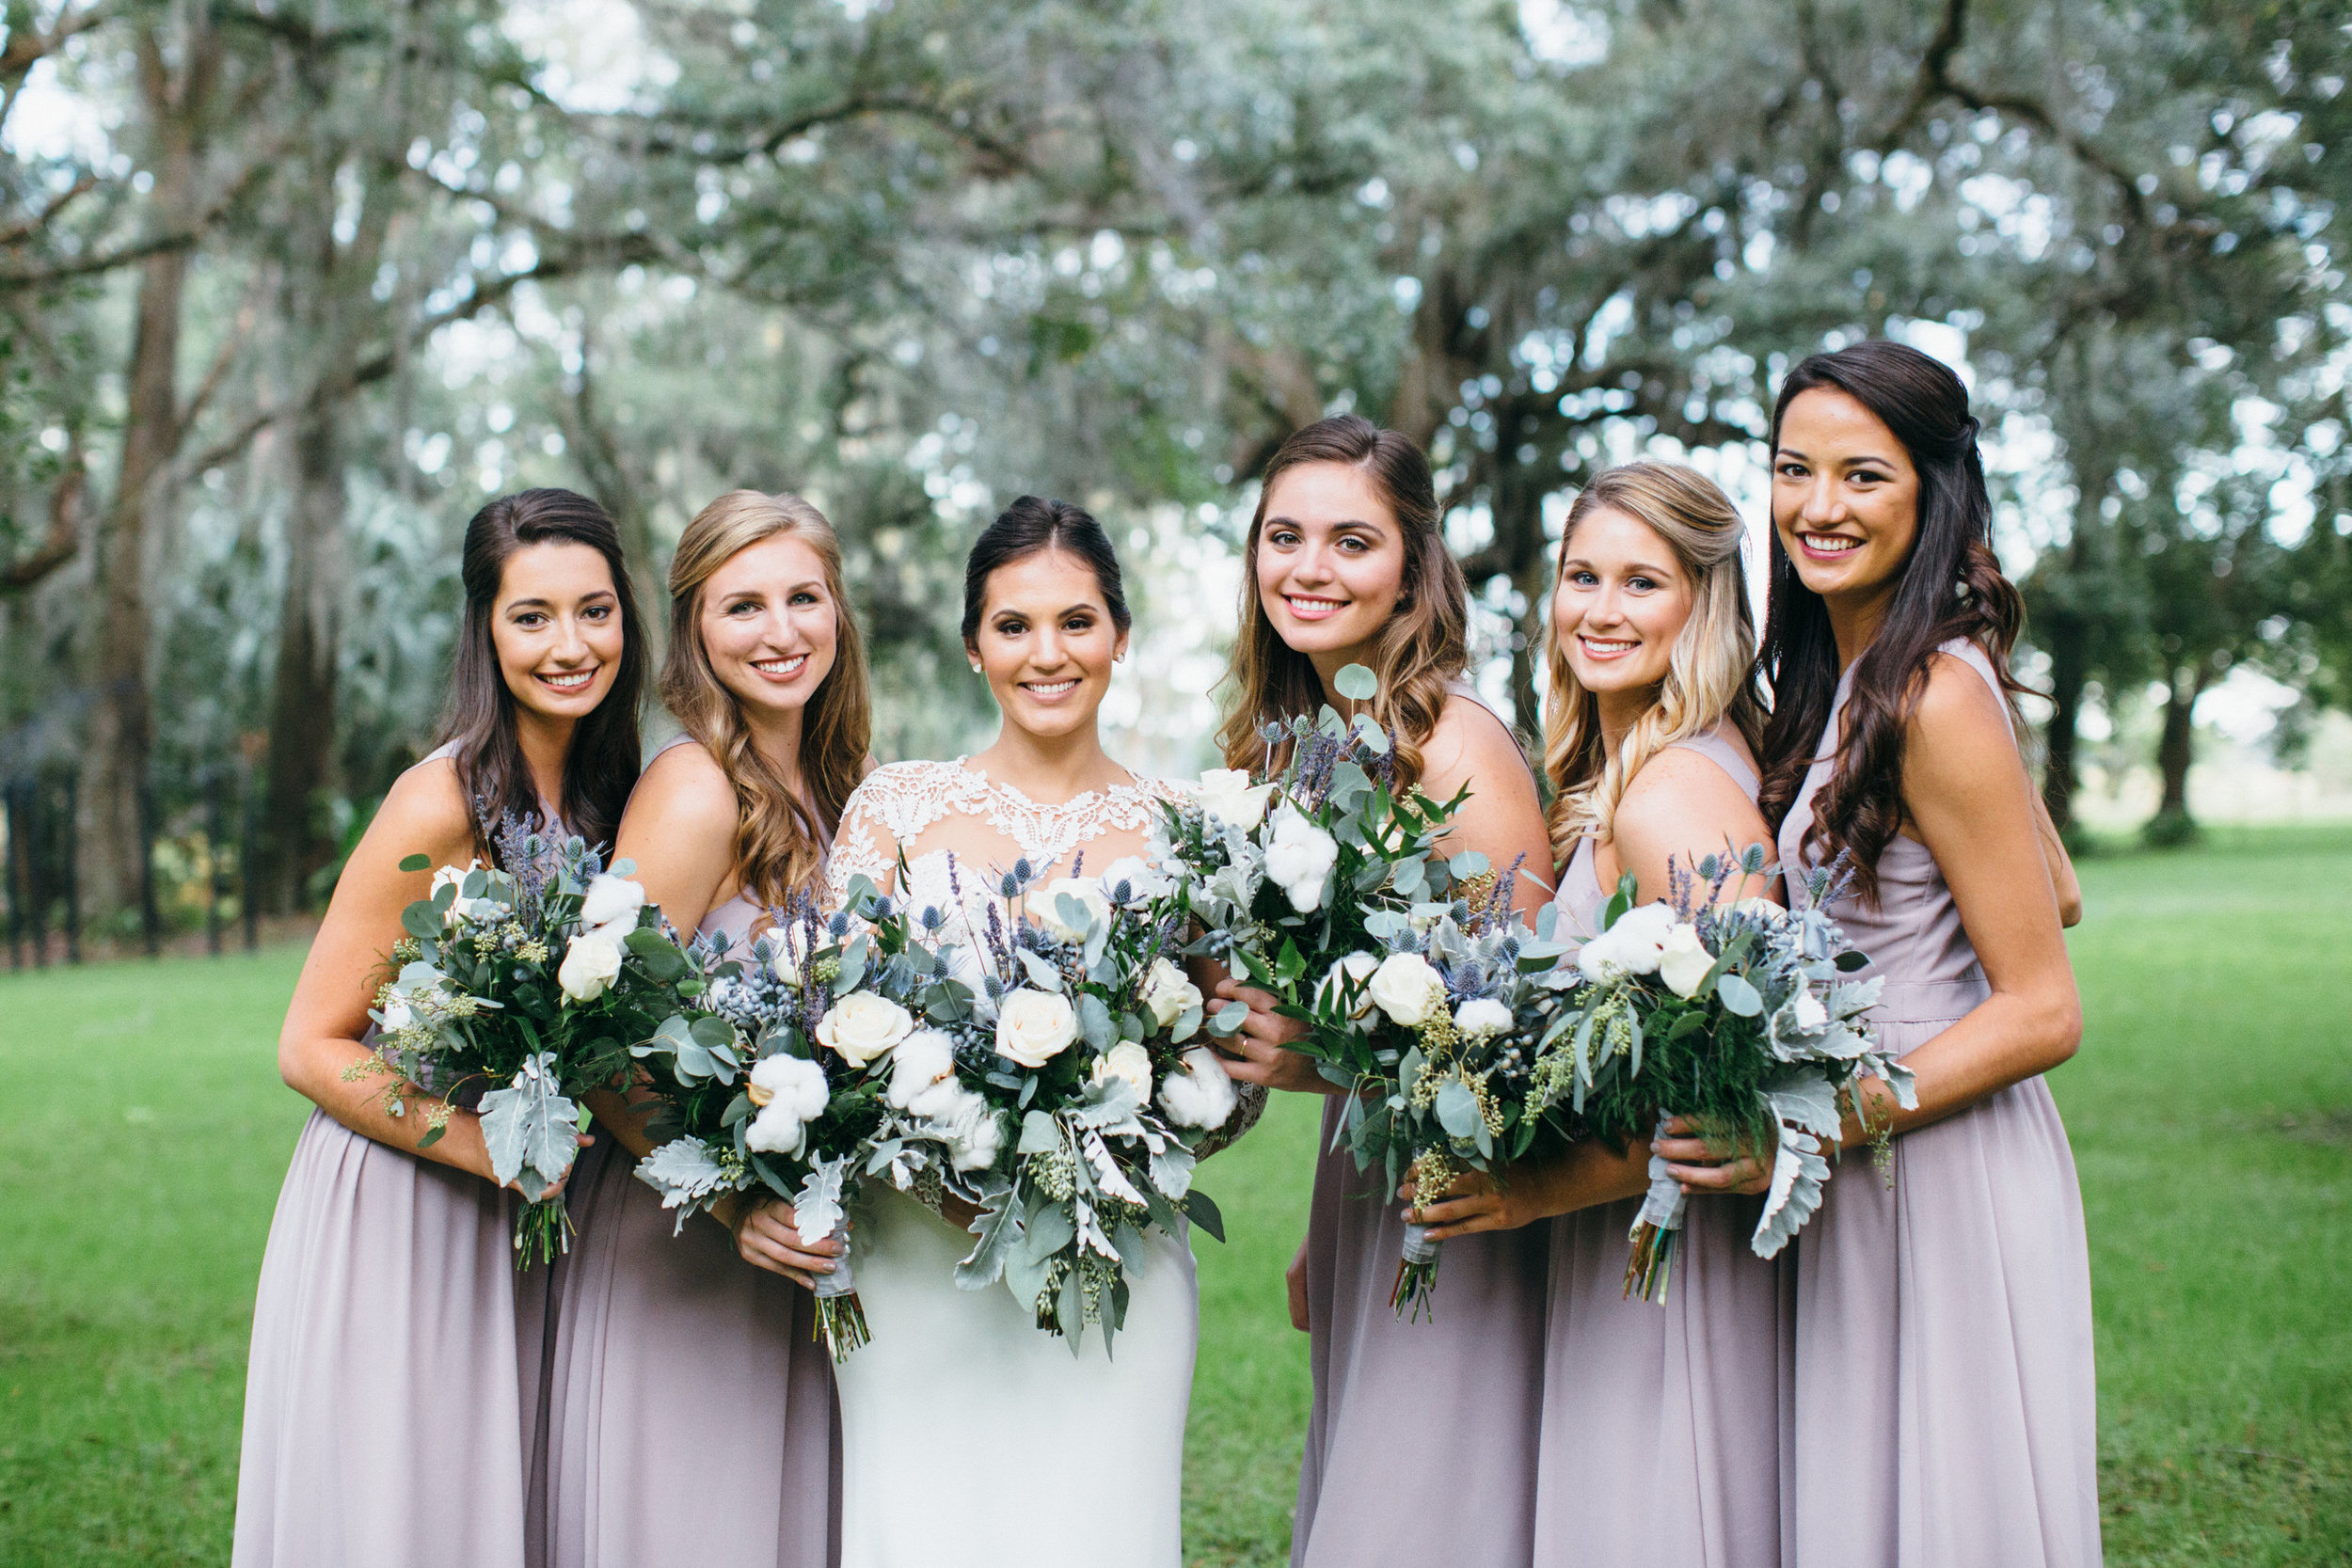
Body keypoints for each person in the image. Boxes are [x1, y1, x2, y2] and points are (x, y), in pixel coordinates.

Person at [819, 496, 1252, 1568]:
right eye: (1013, 625)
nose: (1045, 653)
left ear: (1118, 634)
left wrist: (1118, 1142)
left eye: (1076, 620)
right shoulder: (895, 809)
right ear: (974, 646)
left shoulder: (1188, 829)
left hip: (1113, 1261)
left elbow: (1239, 1070)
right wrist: (947, 1168)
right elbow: (832, 1030)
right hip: (918, 1263)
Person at [234, 488, 647, 1568]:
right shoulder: (441, 797)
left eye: (595, 611)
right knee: (404, 1508)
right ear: (486, 628)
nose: (571, 644)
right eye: (533, 616)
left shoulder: (613, 803)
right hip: (406, 1196)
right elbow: (310, 1044)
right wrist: (478, 1145)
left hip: (526, 1209)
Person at [1405, 462, 1791, 1568]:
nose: (1601, 610)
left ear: (1704, 603)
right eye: (1583, 576)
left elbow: (1740, 1088)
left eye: (1642, 582)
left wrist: (1535, 1187)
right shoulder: (1625, 772)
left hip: (1668, 1270)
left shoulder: (1670, 789)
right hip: (1621, 1252)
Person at [1759, 339, 2097, 1567]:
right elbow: (2053, 888)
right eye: (1795, 469)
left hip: (1933, 1151)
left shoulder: (1931, 692)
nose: (1819, 507)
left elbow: (2045, 1007)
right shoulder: (1872, 673)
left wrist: (1816, 1120)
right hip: (1868, 1145)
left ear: (1933, 488)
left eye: (1863, 475)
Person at [1205, 415, 1555, 1568]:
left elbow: (1523, 1038)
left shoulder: (1452, 748)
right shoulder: (1300, 743)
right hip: (1373, 1175)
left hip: (1463, 1189)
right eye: (1284, 536)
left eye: (1351, 541)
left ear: (1414, 565)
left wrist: (1313, 1058)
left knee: (1420, 1509)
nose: (1308, 569)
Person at [544, 490, 866, 1568]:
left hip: (793, 1239)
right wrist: (731, 1196)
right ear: (693, 629)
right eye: (744, 606)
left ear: (838, 611)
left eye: (803, 598)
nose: (780, 632)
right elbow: (593, 1033)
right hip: (682, 1241)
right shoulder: (693, 788)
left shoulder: (838, 786)